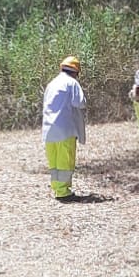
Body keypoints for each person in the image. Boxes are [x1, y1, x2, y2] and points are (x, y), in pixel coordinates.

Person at [41, 54, 87, 201]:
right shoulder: (72, 83)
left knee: (54, 163)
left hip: (48, 130)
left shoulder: (51, 84)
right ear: (76, 72)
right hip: (65, 129)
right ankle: (64, 193)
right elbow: (80, 103)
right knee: (65, 162)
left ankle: (57, 189)